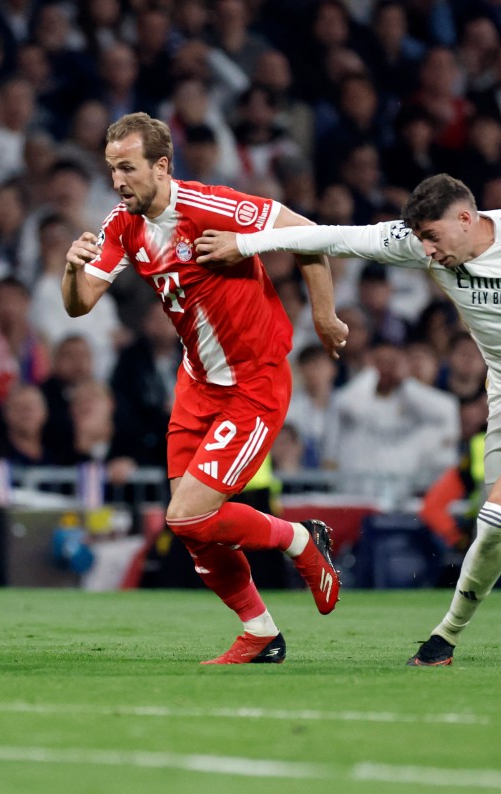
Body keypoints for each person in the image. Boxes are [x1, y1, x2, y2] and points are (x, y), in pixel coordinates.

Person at [197, 173, 501, 666]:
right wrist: (245, 243)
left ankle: (444, 638)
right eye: (421, 240)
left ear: (465, 218)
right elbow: (332, 235)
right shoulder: (417, 245)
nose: (427, 252)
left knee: (494, 516)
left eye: (433, 237)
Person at [61, 112, 348, 665]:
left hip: (254, 383)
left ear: (162, 166)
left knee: (185, 515)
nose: (117, 182)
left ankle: (301, 542)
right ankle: (261, 632)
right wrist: (72, 271)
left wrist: (324, 315)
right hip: (197, 383)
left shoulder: (212, 206)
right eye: (111, 170)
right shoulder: (123, 224)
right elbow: (80, 304)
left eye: (128, 169)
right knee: (193, 529)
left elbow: (310, 234)